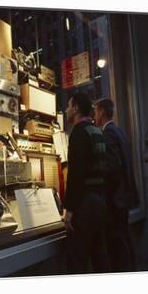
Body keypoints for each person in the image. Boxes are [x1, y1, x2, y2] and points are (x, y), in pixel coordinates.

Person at [63, 93, 110, 274]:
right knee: (100, 257)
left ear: (75, 109)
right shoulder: (97, 130)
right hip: (99, 202)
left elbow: (76, 174)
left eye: (68, 106)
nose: (66, 110)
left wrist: (69, 210)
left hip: (85, 206)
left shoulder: (78, 132)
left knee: (77, 260)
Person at [94, 98, 139, 272]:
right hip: (124, 197)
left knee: (118, 246)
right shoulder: (119, 131)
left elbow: (112, 167)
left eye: (96, 111)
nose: (95, 115)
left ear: (103, 112)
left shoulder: (108, 134)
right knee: (125, 241)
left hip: (115, 200)